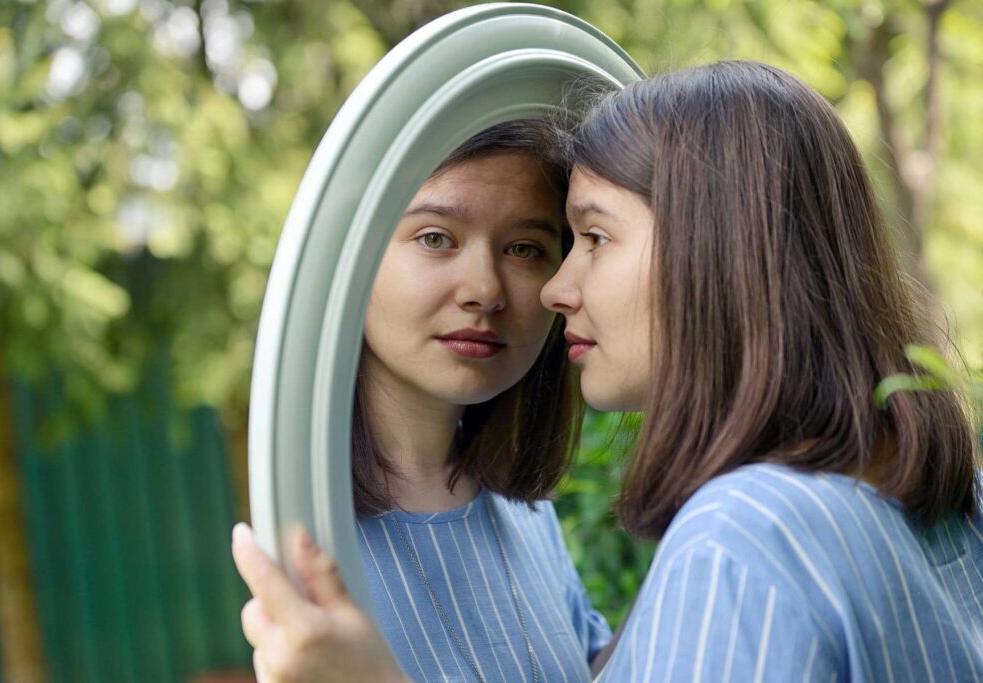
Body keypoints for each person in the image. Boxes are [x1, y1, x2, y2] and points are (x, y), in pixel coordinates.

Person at [232, 61, 983, 681]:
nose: (507, 289)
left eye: (563, 241)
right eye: (435, 237)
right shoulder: (938, 496)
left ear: (712, 254)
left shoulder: (738, 537)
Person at [234, 120, 611, 683]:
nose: (484, 289)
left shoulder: (523, 511)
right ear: (351, 260)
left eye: (525, 249)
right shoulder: (305, 534)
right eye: (436, 238)